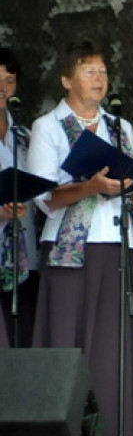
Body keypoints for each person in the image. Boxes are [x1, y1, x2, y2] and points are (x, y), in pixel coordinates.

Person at [26, 37, 133, 436]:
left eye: (103, 71)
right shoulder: (47, 127)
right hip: (69, 249)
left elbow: (130, 196)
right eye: (89, 71)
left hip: (113, 245)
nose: (99, 79)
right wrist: (88, 186)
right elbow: (45, 197)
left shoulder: (119, 127)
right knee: (67, 341)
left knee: (110, 345)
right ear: (67, 79)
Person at [0, 47, 38, 346]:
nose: (2, 88)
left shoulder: (26, 136)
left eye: (9, 80)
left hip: (25, 254)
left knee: (24, 337)